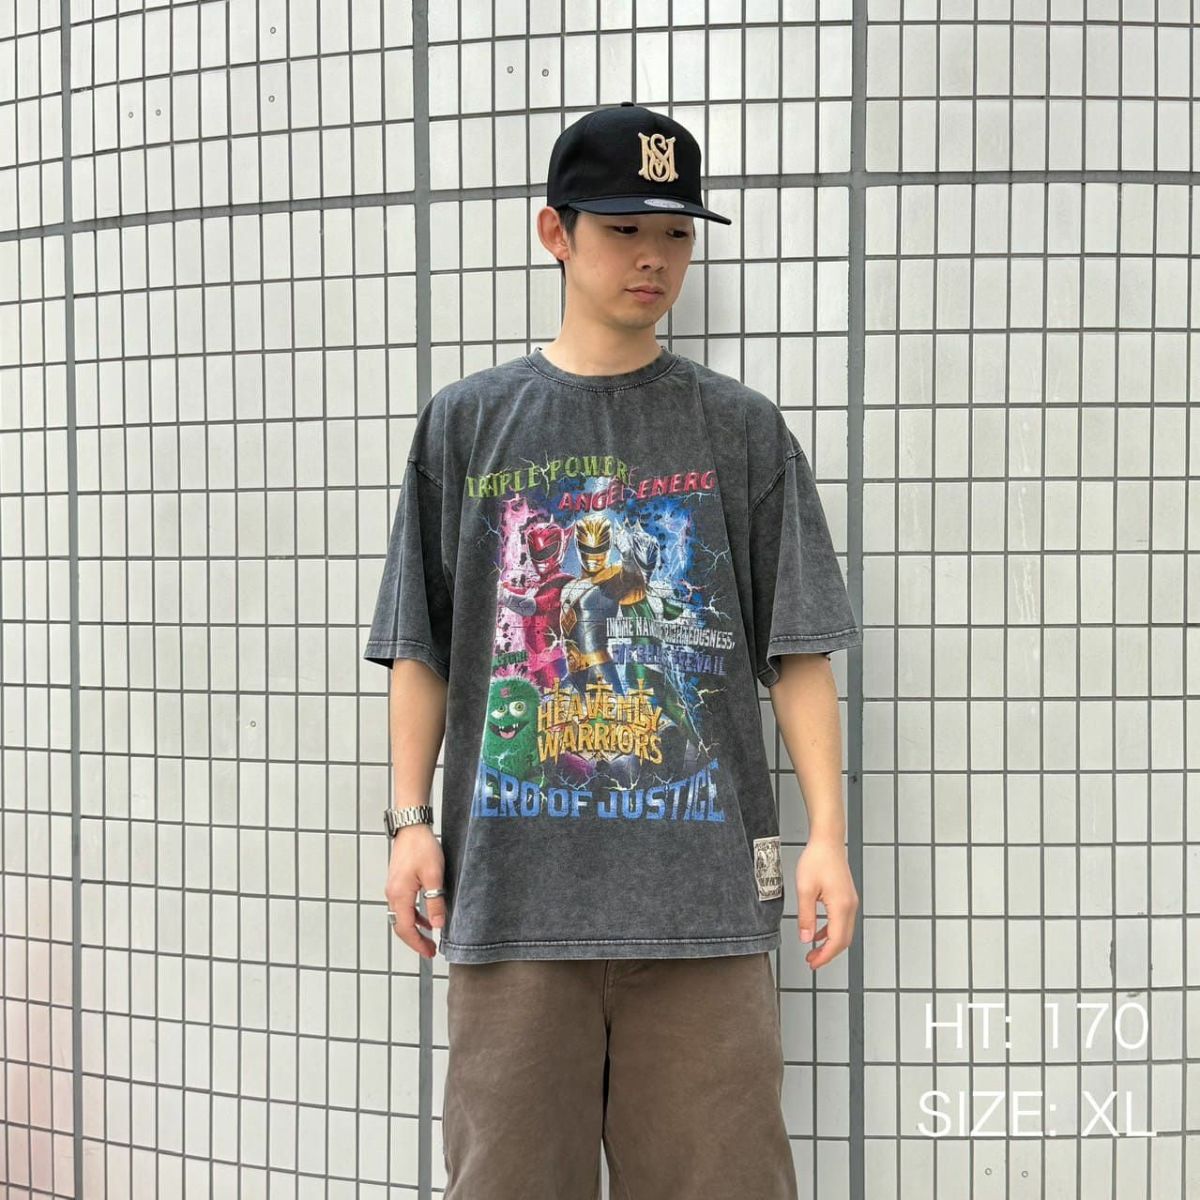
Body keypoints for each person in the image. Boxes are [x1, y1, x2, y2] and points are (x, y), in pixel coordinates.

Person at [364, 102, 863, 1200]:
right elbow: (421, 644)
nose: (654, 258)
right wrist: (408, 821)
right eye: (624, 228)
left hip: (703, 915)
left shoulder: (739, 430)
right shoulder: (469, 424)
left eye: (676, 233)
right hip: (514, 908)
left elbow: (799, 647)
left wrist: (827, 836)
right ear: (556, 232)